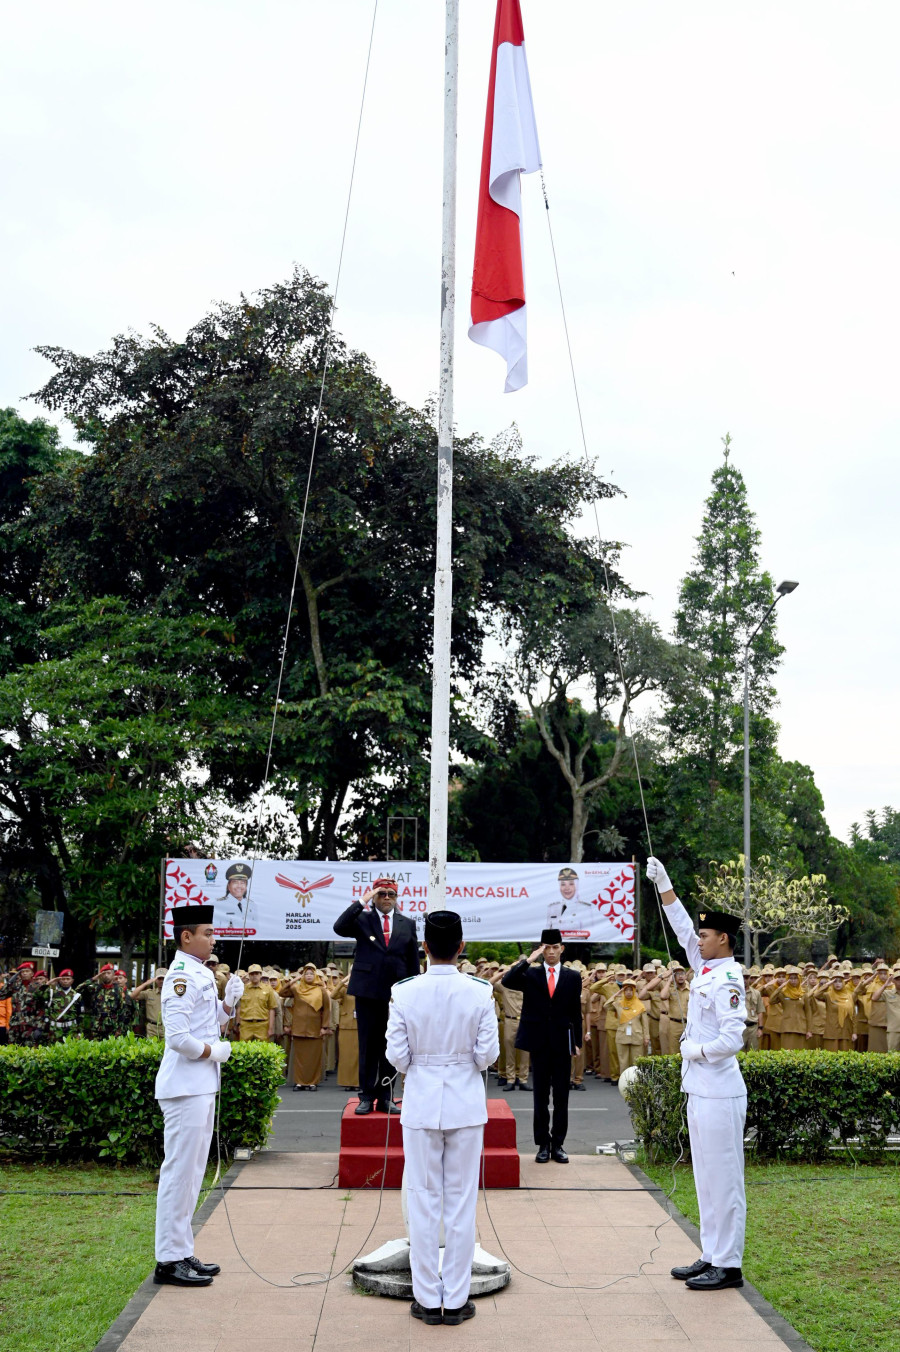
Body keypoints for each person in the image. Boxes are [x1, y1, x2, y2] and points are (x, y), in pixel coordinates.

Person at [386, 909, 499, 1326]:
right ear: (462, 947)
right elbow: (488, 1056)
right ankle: (455, 1299)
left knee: (423, 1197)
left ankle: (427, 1300)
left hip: (420, 1099)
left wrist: (424, 1063)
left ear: (425, 948)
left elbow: (396, 1056)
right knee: (461, 1200)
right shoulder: (480, 991)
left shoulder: (404, 991)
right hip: (466, 1102)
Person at [647, 856, 747, 1293]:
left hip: (721, 1091)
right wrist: (665, 884)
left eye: (706, 936)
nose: (698, 942)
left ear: (723, 939)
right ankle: (711, 1253)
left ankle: (729, 1264)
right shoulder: (706, 965)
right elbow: (682, 926)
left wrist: (694, 1050)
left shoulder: (728, 978)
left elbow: (733, 1040)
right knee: (705, 1177)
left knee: (724, 1179)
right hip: (701, 1089)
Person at [154, 904, 244, 1288]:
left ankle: (181, 1248)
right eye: (207, 932)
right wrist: (214, 1052)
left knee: (192, 1175)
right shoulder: (180, 977)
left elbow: (208, 1024)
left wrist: (228, 1004)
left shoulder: (199, 973)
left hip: (201, 1085)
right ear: (186, 936)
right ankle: (168, 1259)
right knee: (179, 1173)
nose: (213, 938)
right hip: (185, 1086)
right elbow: (177, 1039)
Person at [333, 878, 419, 1115]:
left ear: (397, 897)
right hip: (368, 992)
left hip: (396, 995)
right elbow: (339, 927)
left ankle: (386, 1097)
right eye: (382, 894)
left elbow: (412, 961)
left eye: (391, 894)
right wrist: (365, 899)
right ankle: (366, 1096)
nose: (387, 898)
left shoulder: (407, 924)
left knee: (392, 1046)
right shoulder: (363, 919)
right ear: (375, 897)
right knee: (368, 1046)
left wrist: (414, 992)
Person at [501, 928, 583, 1163]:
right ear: (541, 949)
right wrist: (529, 959)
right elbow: (508, 980)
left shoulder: (572, 976)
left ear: (562, 949)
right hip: (539, 1042)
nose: (551, 952)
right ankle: (543, 1144)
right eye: (546, 948)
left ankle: (558, 1143)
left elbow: (575, 1013)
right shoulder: (533, 974)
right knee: (540, 1097)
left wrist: (576, 1041)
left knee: (561, 1097)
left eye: (555, 947)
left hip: (561, 1042)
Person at [285, 963, 331, 1091]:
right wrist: (295, 979)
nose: (309, 976)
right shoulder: (297, 988)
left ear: (315, 975)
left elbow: (327, 1009)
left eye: (311, 973)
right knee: (299, 1058)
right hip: (299, 1028)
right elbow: (282, 992)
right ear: (303, 975)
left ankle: (312, 1082)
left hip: (315, 1028)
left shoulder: (321, 990)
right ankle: (299, 1082)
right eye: (306, 973)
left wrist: (324, 1027)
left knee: (314, 1057)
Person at [611, 975, 651, 1072]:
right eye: (626, 990)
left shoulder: (640, 1005)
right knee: (623, 1062)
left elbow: (645, 1024)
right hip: (622, 1035)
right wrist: (617, 994)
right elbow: (606, 1006)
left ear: (634, 991)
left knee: (636, 1063)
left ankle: (635, 1085)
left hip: (637, 1036)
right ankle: (624, 1084)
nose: (628, 992)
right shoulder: (619, 1003)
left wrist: (646, 1037)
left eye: (630, 990)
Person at [236, 965, 278, 1041]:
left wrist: (271, 1028)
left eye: (257, 973)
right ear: (248, 975)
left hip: (262, 1025)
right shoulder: (243, 989)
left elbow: (271, 1009)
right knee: (244, 1050)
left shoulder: (268, 989)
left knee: (263, 1050)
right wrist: (237, 1023)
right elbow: (239, 1007)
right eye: (252, 974)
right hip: (246, 1025)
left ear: (261, 975)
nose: (254, 976)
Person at [131, 968, 168, 1037]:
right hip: (152, 1028)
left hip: (166, 1027)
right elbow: (133, 996)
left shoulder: (171, 994)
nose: (161, 981)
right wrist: (146, 983)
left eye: (163, 978)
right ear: (155, 980)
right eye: (159, 979)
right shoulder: (149, 993)